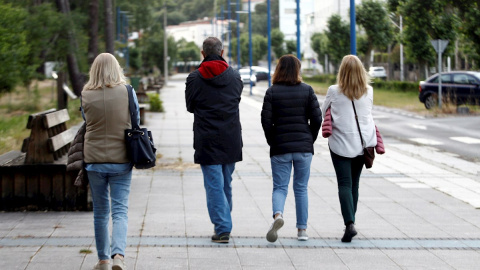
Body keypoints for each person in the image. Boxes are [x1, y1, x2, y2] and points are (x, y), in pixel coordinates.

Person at [82, 53, 140, 270]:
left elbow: (86, 121)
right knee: (120, 210)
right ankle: (118, 256)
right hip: (121, 159)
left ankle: (103, 260)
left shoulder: (86, 94)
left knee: (100, 211)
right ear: (117, 69)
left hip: (94, 160)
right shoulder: (127, 91)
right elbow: (136, 120)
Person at [185, 37, 243, 243]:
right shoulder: (236, 77)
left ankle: (223, 227)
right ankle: (223, 224)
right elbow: (236, 100)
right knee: (226, 183)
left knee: (214, 185)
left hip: (207, 137)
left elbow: (190, 106)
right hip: (231, 137)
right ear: (222, 52)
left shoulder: (194, 78)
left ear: (203, 53)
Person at [261, 54, 322, 243]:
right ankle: (302, 230)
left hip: (280, 146)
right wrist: (309, 139)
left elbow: (265, 120)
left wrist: (273, 140)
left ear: (278, 69)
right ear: (298, 70)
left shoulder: (272, 92)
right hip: (303, 146)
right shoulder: (307, 90)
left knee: (280, 187)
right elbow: (317, 118)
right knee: (301, 188)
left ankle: (278, 216)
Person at [321, 54, 377, 243]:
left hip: (340, 144)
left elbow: (323, 112)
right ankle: (351, 222)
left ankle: (349, 224)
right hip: (363, 144)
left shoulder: (334, 91)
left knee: (344, 183)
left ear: (342, 72)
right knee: (355, 183)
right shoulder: (369, 91)